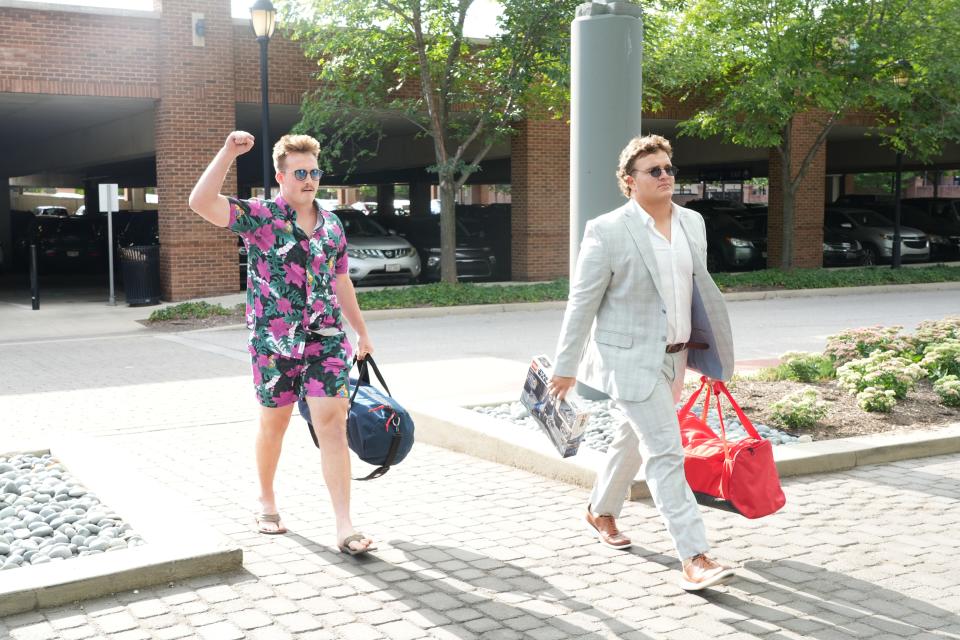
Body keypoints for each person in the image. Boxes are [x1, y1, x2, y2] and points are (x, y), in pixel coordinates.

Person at [549, 134, 736, 590]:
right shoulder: (608, 229)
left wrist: (704, 355)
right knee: (666, 452)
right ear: (630, 182)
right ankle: (695, 556)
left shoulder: (693, 222)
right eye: (655, 170)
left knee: (632, 438)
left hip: (675, 357)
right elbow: (582, 302)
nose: (666, 176)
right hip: (628, 359)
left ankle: (600, 510)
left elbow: (694, 293)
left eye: (669, 168)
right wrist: (565, 364)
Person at [189, 131, 375, 555]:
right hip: (273, 344)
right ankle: (266, 501)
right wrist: (227, 152)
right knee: (275, 424)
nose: (309, 180)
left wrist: (361, 331)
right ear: (281, 176)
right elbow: (200, 203)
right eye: (300, 173)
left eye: (314, 172)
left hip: (326, 340)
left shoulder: (332, 224)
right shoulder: (262, 216)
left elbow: (341, 278)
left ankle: (344, 525)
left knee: (332, 424)